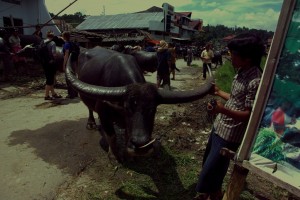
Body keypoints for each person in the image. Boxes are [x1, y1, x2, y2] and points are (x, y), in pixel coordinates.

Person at [193, 33, 265, 200]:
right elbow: (235, 99)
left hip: (229, 135)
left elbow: (248, 115)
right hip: (219, 127)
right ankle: (211, 195)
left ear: (247, 58)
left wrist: (222, 110)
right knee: (210, 169)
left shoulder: (255, 80)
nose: (229, 57)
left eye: (233, 54)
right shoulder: (242, 71)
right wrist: (218, 92)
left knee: (211, 174)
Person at [40, 30, 62, 100]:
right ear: (53, 37)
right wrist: (55, 59)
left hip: (44, 63)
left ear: (47, 36)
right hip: (50, 63)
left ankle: (53, 93)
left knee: (50, 79)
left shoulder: (42, 42)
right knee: (49, 80)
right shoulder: (52, 43)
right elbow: (54, 54)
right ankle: (46, 96)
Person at [62, 31, 79, 99]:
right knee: (74, 77)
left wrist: (64, 64)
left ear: (64, 37)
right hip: (74, 62)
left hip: (69, 63)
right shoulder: (73, 43)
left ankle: (70, 94)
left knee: (68, 78)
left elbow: (66, 54)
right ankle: (75, 93)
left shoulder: (66, 44)